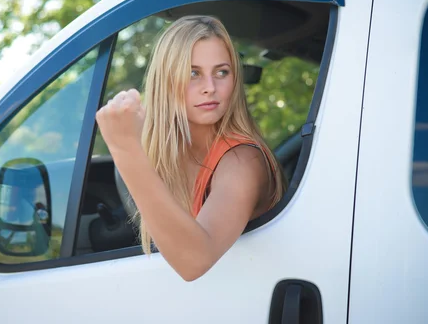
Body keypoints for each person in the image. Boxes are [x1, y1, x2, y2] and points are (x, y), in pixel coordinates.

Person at [96, 15, 286, 281]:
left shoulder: (243, 161)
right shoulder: (174, 155)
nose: (210, 88)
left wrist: (124, 149)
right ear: (166, 81)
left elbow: (194, 262)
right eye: (192, 73)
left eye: (222, 72)